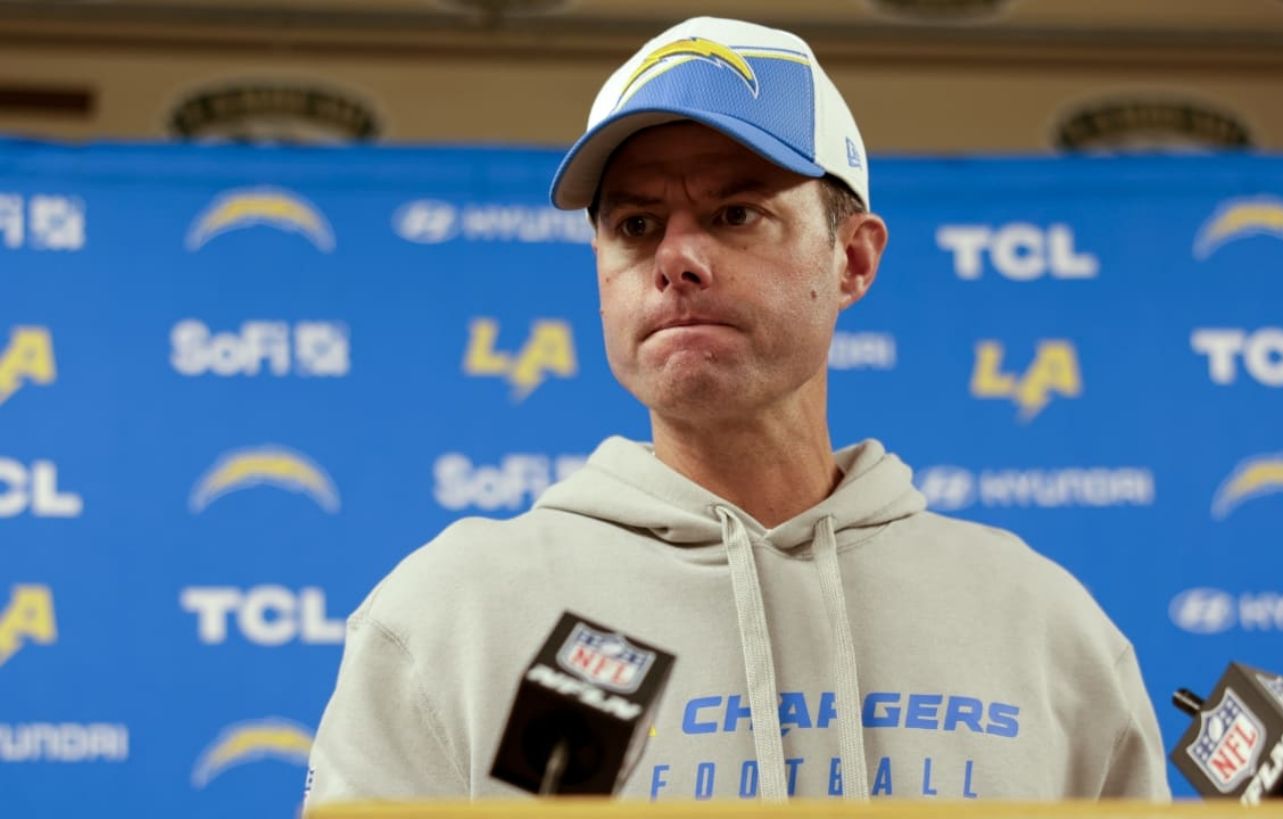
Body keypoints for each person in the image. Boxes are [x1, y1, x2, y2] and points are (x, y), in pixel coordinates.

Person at [304, 16, 1169, 805]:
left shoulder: (1043, 625)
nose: (676, 258)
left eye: (734, 212)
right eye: (636, 225)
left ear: (853, 260)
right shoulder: (450, 616)